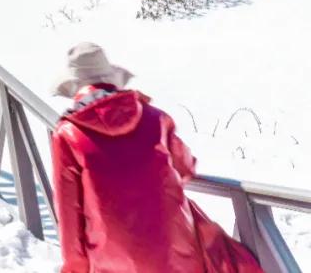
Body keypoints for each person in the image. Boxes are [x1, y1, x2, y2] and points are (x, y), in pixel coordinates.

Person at [51, 42, 264, 273]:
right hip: (176, 252)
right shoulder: (156, 118)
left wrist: (75, 267)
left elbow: (68, 213)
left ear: (74, 87)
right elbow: (185, 167)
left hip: (111, 261)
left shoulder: (68, 133)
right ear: (112, 79)